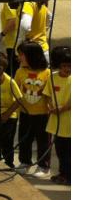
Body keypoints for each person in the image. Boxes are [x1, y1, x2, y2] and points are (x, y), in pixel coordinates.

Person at [14, 42, 53, 179]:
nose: (19, 57)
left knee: (43, 140)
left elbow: (50, 93)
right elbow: (15, 90)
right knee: (24, 139)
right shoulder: (20, 71)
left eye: (21, 55)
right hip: (25, 113)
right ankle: (25, 162)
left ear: (32, 56)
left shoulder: (47, 73)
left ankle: (44, 166)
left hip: (43, 114)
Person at [45, 46, 71, 185]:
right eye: (64, 66)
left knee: (69, 151)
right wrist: (50, 106)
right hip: (57, 122)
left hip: (69, 122)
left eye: (70, 66)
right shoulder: (52, 78)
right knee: (60, 150)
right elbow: (47, 94)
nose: (67, 69)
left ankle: (68, 175)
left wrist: (62, 108)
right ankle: (63, 173)